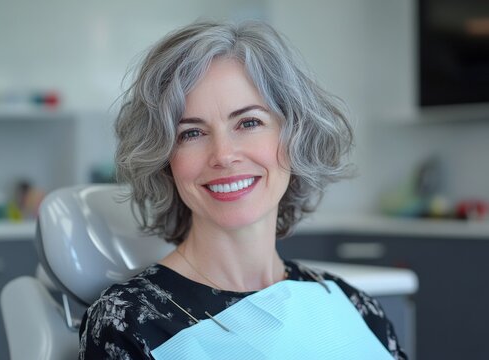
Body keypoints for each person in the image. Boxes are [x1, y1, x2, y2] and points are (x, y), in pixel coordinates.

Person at [79, 20, 407, 359]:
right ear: (165, 160)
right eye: (191, 133)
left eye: (249, 123)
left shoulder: (353, 305)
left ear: (295, 137)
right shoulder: (127, 324)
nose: (223, 155)